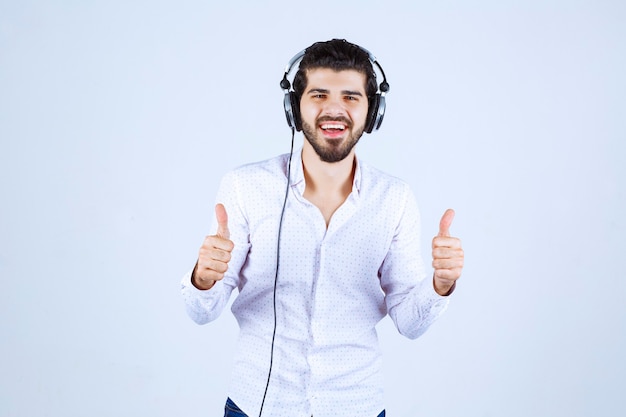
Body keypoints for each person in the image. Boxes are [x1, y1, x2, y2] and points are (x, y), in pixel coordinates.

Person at [180, 39, 464, 417]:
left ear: (372, 110)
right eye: (318, 94)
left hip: (356, 406)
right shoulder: (245, 187)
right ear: (295, 108)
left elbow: (410, 324)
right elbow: (202, 312)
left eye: (350, 97)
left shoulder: (394, 198)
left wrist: (440, 286)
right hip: (257, 406)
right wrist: (203, 278)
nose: (334, 109)